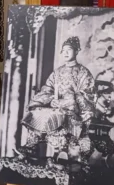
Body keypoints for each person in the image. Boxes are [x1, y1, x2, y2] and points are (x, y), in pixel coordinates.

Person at [20, 36, 97, 165]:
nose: (65, 53)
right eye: (63, 50)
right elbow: (47, 88)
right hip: (55, 108)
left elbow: (87, 94)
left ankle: (62, 153)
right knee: (36, 112)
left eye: (69, 50)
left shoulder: (84, 73)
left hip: (73, 111)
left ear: (77, 51)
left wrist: (66, 101)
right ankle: (30, 147)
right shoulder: (57, 72)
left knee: (58, 115)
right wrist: (47, 100)